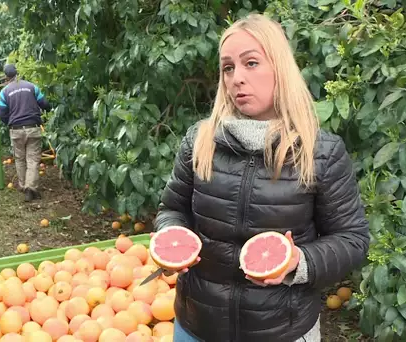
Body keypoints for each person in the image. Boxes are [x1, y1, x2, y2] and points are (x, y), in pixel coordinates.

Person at [153, 14, 370, 342]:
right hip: (197, 326)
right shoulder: (200, 140)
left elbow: (353, 239)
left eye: (251, 63)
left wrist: (300, 261)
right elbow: (171, 208)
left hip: (283, 331)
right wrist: (172, 236)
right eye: (228, 67)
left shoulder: (319, 151)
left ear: (279, 69)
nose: (237, 78)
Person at [0, 64, 51, 202]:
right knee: (32, 159)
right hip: (33, 127)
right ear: (17, 73)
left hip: (16, 130)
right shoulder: (31, 86)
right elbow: (45, 103)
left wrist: (10, 121)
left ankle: (23, 185)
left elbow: (1, 112)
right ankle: (30, 188)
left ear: (6, 76)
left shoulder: (4, 92)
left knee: (20, 159)